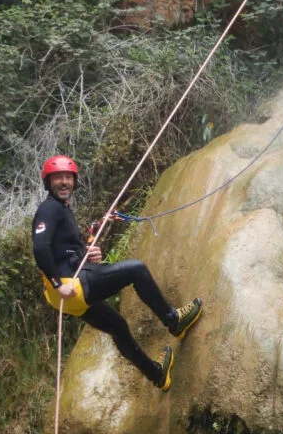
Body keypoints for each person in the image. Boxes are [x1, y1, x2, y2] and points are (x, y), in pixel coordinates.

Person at [32, 155, 202, 390]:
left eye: (68, 178)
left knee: (118, 327)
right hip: (70, 287)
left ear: (74, 181)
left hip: (67, 297)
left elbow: (60, 251)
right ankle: (174, 321)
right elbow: (40, 248)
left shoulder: (61, 209)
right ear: (48, 182)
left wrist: (85, 255)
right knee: (136, 269)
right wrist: (59, 284)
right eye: (58, 178)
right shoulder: (49, 208)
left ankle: (158, 376)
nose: (63, 182)